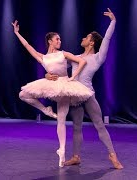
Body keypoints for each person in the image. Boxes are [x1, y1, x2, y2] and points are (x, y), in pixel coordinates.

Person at [45, 8, 123, 169]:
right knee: (76, 127)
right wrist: (47, 75)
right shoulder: (76, 58)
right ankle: (76, 157)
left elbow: (107, 39)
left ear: (92, 42)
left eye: (86, 37)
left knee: (99, 125)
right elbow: (56, 67)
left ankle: (113, 155)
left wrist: (113, 21)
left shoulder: (97, 58)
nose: (83, 38)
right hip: (74, 96)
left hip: (87, 95)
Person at [11, 20, 94, 167]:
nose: (60, 41)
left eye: (60, 39)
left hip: (64, 85)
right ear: (50, 41)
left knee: (61, 119)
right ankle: (45, 110)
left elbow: (81, 62)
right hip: (50, 84)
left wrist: (73, 77)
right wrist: (17, 33)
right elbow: (27, 46)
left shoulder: (64, 54)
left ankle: (61, 151)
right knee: (23, 94)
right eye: (57, 39)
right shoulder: (42, 57)